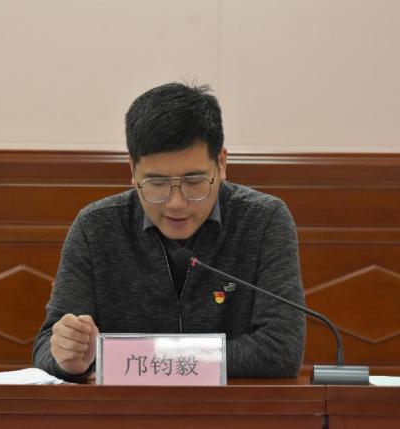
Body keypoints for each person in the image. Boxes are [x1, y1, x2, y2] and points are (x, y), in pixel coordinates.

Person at [33, 82, 306, 382]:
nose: (176, 203)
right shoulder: (95, 227)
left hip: (233, 407)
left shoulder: (263, 220)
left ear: (222, 164)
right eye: (157, 182)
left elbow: (281, 349)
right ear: (132, 170)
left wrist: (126, 361)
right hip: (124, 408)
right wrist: (69, 358)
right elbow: (47, 347)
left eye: (194, 181)